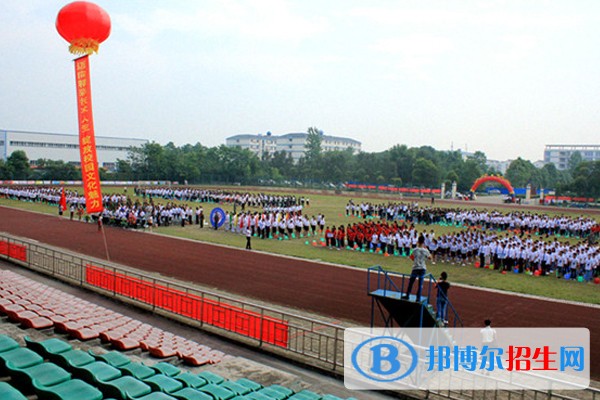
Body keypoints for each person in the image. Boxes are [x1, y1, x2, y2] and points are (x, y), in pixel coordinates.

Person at [402, 235, 432, 302]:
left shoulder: (415, 249)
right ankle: (418, 298)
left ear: (418, 241)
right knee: (420, 284)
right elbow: (430, 258)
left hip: (415, 267)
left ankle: (407, 295)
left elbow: (411, 257)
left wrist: (416, 260)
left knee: (411, 282)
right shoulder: (425, 250)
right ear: (424, 242)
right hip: (423, 268)